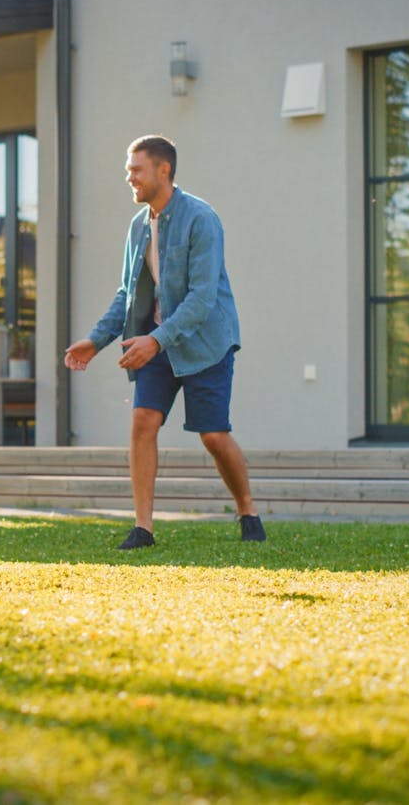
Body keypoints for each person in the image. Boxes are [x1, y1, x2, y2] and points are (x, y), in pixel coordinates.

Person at [65, 135, 266, 548]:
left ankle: (247, 510)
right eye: (128, 170)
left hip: (206, 341)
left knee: (213, 436)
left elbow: (202, 298)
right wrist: (95, 341)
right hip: (155, 341)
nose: (129, 178)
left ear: (164, 169)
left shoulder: (201, 219)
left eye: (136, 170)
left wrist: (155, 341)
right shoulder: (138, 227)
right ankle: (143, 527)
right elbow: (127, 293)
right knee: (143, 422)